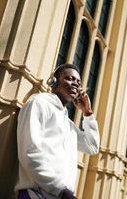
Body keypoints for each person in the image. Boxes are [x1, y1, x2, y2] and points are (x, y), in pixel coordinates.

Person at [15, 64, 100, 199]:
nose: (75, 84)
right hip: (36, 194)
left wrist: (88, 113)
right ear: (53, 81)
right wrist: (61, 190)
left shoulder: (68, 124)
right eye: (70, 79)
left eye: (78, 83)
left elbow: (92, 146)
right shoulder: (39, 102)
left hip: (60, 195)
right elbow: (29, 151)